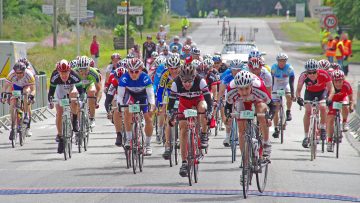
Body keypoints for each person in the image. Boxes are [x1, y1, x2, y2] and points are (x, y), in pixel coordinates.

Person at [167, 63, 213, 177]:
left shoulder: (200, 81)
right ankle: (184, 162)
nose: (187, 84)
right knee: (183, 129)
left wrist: (209, 112)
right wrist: (171, 115)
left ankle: (203, 134)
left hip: (198, 100)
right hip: (184, 103)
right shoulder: (175, 83)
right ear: (180, 79)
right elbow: (171, 104)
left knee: (203, 108)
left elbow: (208, 99)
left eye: (190, 81)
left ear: (194, 78)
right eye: (184, 81)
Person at [224, 71, 275, 160]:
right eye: (241, 89)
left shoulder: (258, 86)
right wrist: (228, 116)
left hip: (256, 99)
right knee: (241, 128)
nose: (244, 92)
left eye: (247, 88)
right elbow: (228, 107)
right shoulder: (231, 89)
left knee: (261, 111)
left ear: (251, 85)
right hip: (240, 101)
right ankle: (245, 159)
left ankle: (266, 143)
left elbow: (272, 106)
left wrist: (269, 117)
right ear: (236, 87)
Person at [117, 58, 156, 156]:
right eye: (131, 71)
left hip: (143, 96)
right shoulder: (124, 78)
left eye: (136, 71)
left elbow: (151, 95)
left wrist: (151, 105)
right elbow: (120, 96)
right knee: (127, 112)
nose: (133, 74)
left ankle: (147, 145)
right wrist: (120, 106)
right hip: (131, 96)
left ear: (141, 70)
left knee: (149, 119)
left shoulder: (145, 78)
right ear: (128, 70)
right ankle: (129, 139)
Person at [47, 60, 85, 154]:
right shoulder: (54, 76)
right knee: (59, 113)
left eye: (66, 73)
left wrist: (80, 101)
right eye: (61, 73)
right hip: (60, 89)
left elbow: (81, 92)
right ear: (58, 72)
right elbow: (51, 92)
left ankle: (75, 120)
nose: (64, 75)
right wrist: (50, 101)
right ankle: (60, 137)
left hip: (72, 87)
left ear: (69, 71)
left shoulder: (74, 76)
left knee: (73, 96)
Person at [296, 59, 332, 148]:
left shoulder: (324, 74)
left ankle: (323, 127)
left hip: (322, 92)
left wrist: (330, 98)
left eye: (314, 72)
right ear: (306, 72)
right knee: (308, 111)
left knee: (323, 107)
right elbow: (298, 90)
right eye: (309, 72)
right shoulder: (303, 76)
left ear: (318, 71)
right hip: (309, 93)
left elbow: (331, 89)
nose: (311, 75)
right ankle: (306, 136)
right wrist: (298, 98)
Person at [1, 62, 36, 138]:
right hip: (16, 86)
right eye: (17, 73)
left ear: (24, 71)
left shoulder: (29, 74)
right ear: (15, 72)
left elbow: (33, 89)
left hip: (26, 86)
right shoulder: (11, 74)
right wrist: (3, 96)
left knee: (26, 92)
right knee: (12, 102)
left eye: (21, 73)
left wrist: (31, 96)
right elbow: (5, 86)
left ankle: (26, 115)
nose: (19, 74)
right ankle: (13, 127)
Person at [218, 59, 247, 146]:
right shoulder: (227, 76)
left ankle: (242, 134)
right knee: (229, 116)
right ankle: (227, 136)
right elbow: (222, 91)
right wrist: (220, 100)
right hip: (230, 94)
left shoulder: (245, 75)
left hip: (241, 95)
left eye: (238, 70)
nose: (236, 71)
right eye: (234, 69)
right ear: (231, 69)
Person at [156, 55, 180, 150]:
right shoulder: (165, 74)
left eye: (175, 68)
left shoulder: (182, 73)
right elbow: (160, 90)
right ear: (168, 67)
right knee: (166, 113)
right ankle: (164, 137)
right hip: (168, 94)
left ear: (179, 67)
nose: (173, 71)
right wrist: (159, 103)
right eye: (171, 68)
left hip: (179, 93)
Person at [326, 69, 354, 152]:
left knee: (345, 105)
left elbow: (351, 99)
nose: (338, 83)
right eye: (336, 81)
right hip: (332, 101)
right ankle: (329, 141)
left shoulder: (347, 85)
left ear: (343, 80)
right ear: (332, 81)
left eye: (340, 81)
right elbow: (325, 97)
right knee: (330, 119)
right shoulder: (329, 86)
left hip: (342, 99)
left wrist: (351, 106)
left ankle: (344, 122)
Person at [270, 53, 295, 138]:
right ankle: (276, 128)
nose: (282, 63)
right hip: (276, 85)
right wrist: (271, 92)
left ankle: (288, 111)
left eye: (283, 61)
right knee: (276, 108)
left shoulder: (289, 68)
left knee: (288, 96)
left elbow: (291, 82)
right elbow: (272, 81)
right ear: (277, 61)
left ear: (286, 61)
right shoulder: (273, 68)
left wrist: (292, 94)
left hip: (285, 84)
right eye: (280, 61)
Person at [73, 56, 101, 128]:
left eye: (85, 69)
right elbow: (70, 87)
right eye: (81, 70)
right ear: (77, 68)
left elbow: (98, 89)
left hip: (89, 85)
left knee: (91, 92)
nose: (83, 72)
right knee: (77, 101)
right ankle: (78, 123)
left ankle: (92, 118)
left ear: (89, 67)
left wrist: (96, 101)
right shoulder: (74, 72)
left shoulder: (94, 73)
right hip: (78, 87)